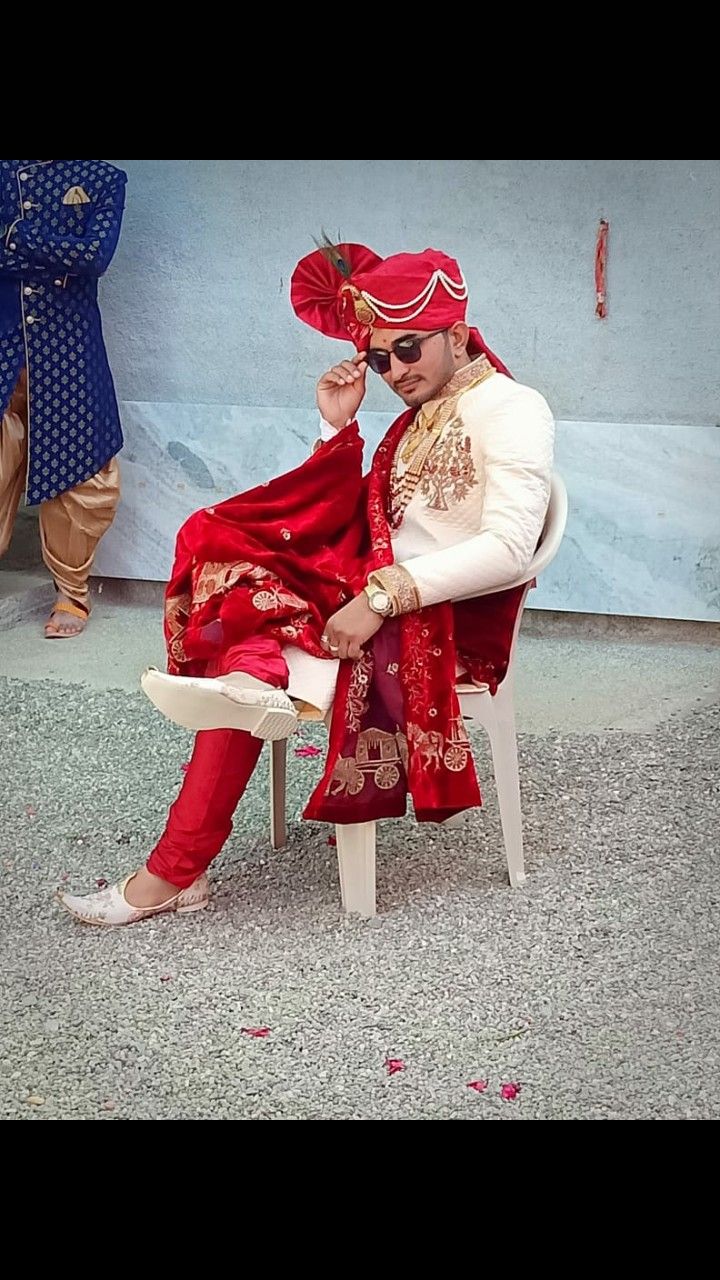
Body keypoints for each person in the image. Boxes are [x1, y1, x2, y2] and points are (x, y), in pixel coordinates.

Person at [58, 239, 554, 926]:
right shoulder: (421, 416)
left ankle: (175, 869)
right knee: (229, 545)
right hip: (377, 586)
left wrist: (379, 599)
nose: (393, 371)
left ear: (458, 334)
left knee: (249, 628)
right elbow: (360, 509)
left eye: (407, 349)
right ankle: (246, 695)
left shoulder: (514, 409)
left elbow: (508, 548)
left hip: (441, 620)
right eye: (380, 358)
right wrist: (335, 426)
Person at [0, 159, 126, 636]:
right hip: (4, 340)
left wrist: (15, 236)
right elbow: (74, 257)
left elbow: (95, 256)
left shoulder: (103, 179)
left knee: (82, 468)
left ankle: (71, 595)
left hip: (69, 348)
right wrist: (57, 253)